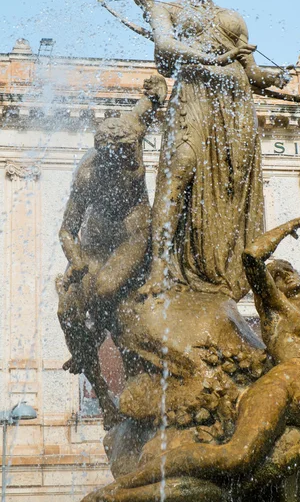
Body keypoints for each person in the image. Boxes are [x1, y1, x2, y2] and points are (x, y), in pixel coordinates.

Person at [84, 214, 300, 500]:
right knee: (235, 458)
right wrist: (288, 228)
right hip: (280, 391)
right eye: (291, 290)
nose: (298, 295)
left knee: (247, 478)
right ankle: (125, 488)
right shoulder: (280, 315)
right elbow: (252, 257)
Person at [134, 0, 290, 300]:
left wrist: (277, 77)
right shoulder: (167, 8)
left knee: (228, 193)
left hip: (233, 110)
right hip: (194, 99)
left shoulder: (233, 19)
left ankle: (218, 270)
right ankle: (160, 269)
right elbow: (166, 46)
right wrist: (215, 59)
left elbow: (250, 73)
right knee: (177, 173)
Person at [57, 75, 167, 428]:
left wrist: (156, 90)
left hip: (133, 234)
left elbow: (150, 100)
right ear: (106, 154)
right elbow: (66, 230)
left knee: (105, 289)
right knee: (68, 312)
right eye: (121, 155)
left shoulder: (130, 129)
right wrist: (75, 263)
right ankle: (103, 396)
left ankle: (101, 341)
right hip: (94, 244)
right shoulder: (87, 177)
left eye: (132, 151)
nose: (129, 159)